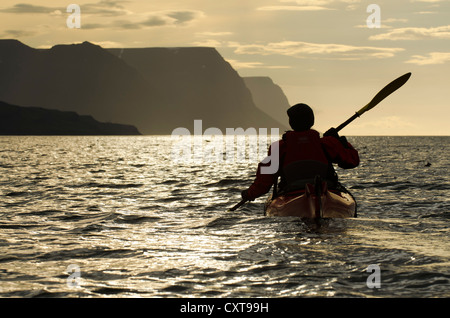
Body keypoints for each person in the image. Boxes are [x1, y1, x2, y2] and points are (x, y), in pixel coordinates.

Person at [241, 103, 359, 202]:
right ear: (312, 121)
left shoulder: (279, 147)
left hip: (291, 193)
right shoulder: (327, 143)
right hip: (325, 192)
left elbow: (264, 182)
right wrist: (342, 142)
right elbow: (352, 161)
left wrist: (249, 194)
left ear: (291, 123)